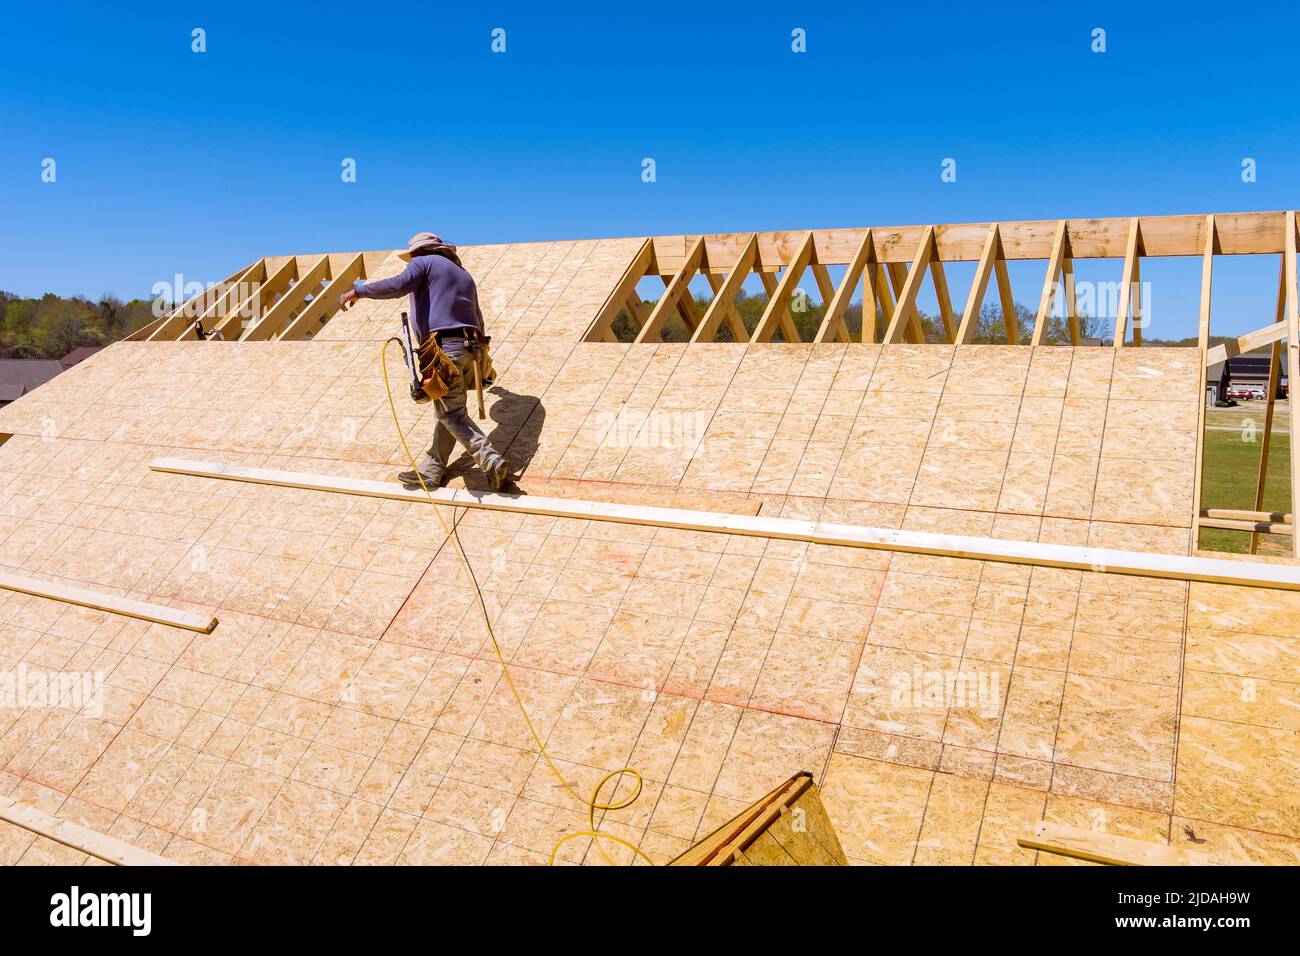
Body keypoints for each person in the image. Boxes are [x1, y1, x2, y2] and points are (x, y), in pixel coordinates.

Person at [338, 232, 511, 491]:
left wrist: (358, 291)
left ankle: (491, 459)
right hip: (470, 351)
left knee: (451, 414)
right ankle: (431, 471)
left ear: (420, 251)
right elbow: (478, 315)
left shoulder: (423, 263)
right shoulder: (463, 274)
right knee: (447, 411)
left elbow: (398, 286)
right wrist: (482, 357)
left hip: (444, 352)